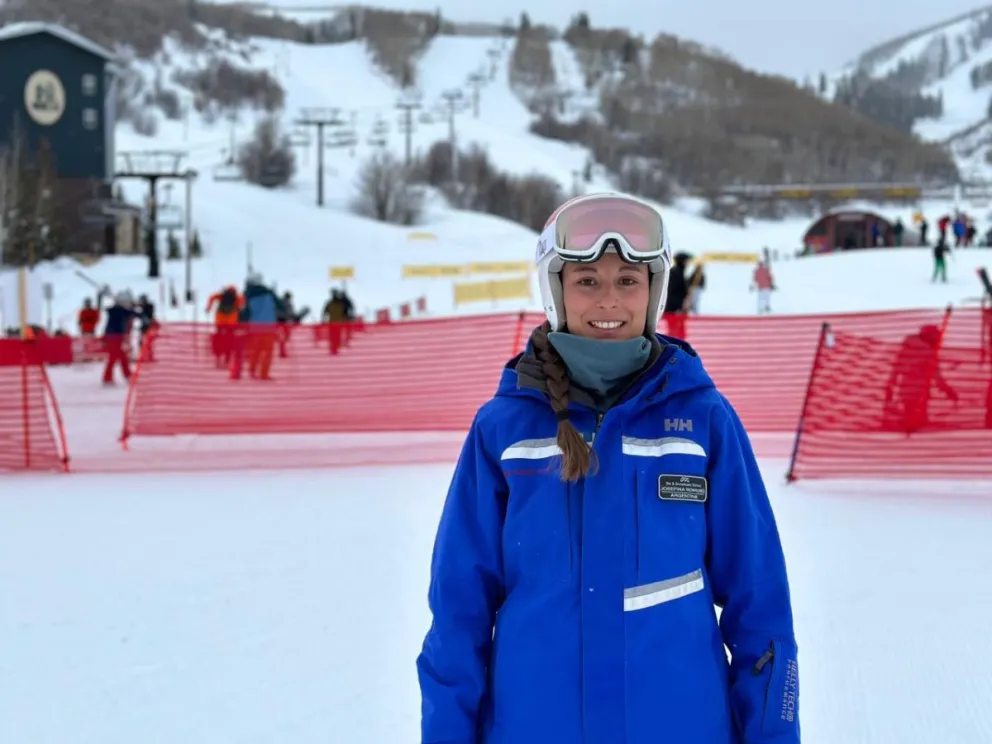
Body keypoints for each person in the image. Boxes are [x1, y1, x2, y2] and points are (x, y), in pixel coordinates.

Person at [417, 192, 800, 744]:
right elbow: (458, 616)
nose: (609, 301)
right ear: (557, 291)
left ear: (652, 293)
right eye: (587, 280)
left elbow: (759, 604)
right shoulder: (504, 429)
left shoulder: (702, 420)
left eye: (628, 281)